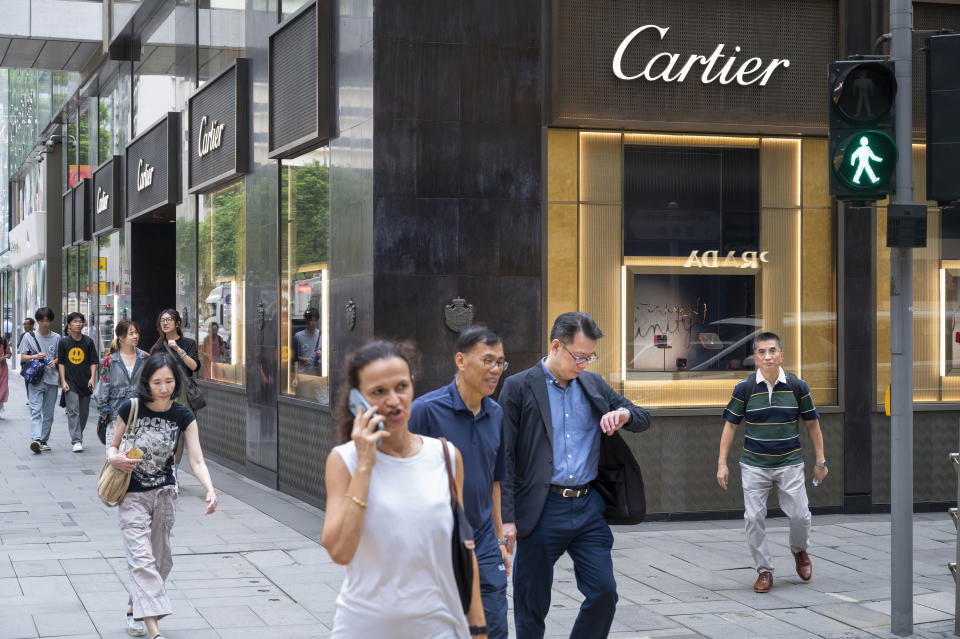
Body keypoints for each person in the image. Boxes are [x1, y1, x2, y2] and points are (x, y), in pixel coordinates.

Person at [499, 311, 651, 639]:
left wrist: (624, 413)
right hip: (541, 510)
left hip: (587, 508)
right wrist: (507, 518)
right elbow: (505, 456)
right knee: (531, 604)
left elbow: (642, 416)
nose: (584, 364)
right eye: (579, 356)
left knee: (604, 593)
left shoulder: (593, 384)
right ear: (556, 346)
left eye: (590, 357)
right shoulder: (518, 387)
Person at [322, 341, 488, 638]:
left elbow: (465, 548)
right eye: (378, 392)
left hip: (440, 627)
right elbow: (340, 551)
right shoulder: (343, 462)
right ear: (357, 399)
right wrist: (364, 466)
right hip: (365, 628)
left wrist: (478, 627)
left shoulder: (446, 457)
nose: (394, 400)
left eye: (401, 386)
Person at [106, 351, 218, 639]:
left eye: (169, 381)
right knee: (142, 559)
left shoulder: (183, 415)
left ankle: (135, 606)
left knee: (160, 560)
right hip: (132, 495)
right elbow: (112, 446)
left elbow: (196, 460)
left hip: (165, 495)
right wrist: (115, 458)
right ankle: (154, 629)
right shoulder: (131, 407)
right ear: (147, 382)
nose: (164, 388)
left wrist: (210, 489)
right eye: (157, 382)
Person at [409, 325, 510, 639]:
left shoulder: (496, 414)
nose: (495, 370)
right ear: (461, 360)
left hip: (483, 539)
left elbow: (495, 481)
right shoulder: (425, 411)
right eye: (488, 361)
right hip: (439, 540)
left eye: (501, 363)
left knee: (494, 627)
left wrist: (500, 539)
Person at [717, 331, 828, 593]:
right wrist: (722, 463)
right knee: (754, 518)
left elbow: (812, 424)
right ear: (755, 358)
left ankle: (800, 551)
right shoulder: (744, 388)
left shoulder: (797, 386)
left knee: (800, 515)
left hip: (790, 462)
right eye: (761, 352)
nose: (767, 356)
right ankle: (764, 570)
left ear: (781, 355)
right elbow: (730, 427)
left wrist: (821, 461)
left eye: (772, 351)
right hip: (754, 464)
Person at [94, 320, 149, 448]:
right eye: (131, 333)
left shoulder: (145, 358)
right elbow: (103, 386)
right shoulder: (111, 361)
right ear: (121, 337)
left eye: (136, 332)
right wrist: (103, 408)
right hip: (116, 414)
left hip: (140, 414)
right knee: (114, 455)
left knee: (138, 457)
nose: (135, 336)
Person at [19, 308, 61, 454]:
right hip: (36, 379)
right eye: (42, 320)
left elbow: (60, 357)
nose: (45, 323)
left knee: (48, 413)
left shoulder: (57, 338)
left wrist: (54, 361)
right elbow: (22, 357)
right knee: (35, 410)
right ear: (37, 321)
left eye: (48, 320)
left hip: (52, 379)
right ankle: (36, 439)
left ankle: (43, 440)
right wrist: (35, 357)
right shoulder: (28, 336)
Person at [58, 312, 99, 453]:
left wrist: (92, 378)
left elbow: (94, 361)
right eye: (75, 321)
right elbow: (61, 363)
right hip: (70, 382)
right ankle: (76, 440)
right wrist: (63, 381)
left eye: (80, 321)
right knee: (73, 411)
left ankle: (78, 436)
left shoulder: (88, 341)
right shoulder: (64, 342)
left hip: (85, 381)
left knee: (84, 413)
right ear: (69, 324)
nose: (78, 323)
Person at [294, 308, 322, 377]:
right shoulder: (298, 336)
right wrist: (304, 359)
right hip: (303, 374)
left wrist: (321, 355)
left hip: (317, 374)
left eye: (315, 320)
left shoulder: (320, 334)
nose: (312, 323)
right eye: (311, 320)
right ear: (307, 321)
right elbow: (294, 357)